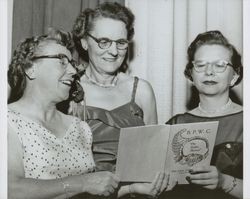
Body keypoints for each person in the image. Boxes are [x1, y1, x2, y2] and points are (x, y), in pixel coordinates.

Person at [69, 2, 169, 198]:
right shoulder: (68, 90)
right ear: (84, 42)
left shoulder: (141, 90)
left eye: (121, 42)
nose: (114, 51)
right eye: (104, 41)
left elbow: (153, 161)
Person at [7, 29, 120, 199]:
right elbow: (10, 188)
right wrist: (83, 182)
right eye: (61, 61)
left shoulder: (80, 128)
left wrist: (132, 189)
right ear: (30, 68)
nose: (73, 71)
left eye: (71, 63)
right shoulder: (8, 121)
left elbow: (91, 191)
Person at [162, 30, 243, 199]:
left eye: (220, 65)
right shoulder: (175, 123)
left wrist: (224, 181)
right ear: (191, 73)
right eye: (200, 65)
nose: (209, 72)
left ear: (234, 76)